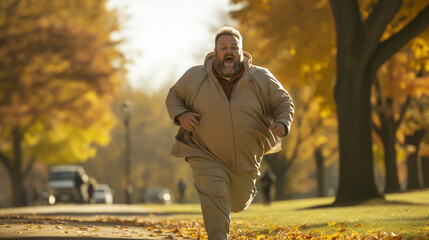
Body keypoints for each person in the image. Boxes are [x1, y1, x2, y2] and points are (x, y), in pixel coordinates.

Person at [165, 26, 294, 240]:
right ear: (215, 51)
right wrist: (181, 114)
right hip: (204, 152)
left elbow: (284, 101)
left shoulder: (260, 77)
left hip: (247, 158)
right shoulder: (195, 77)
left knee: (237, 203)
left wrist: (282, 121)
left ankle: (246, 190)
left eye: (234, 47)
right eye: (224, 47)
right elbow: (173, 97)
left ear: (242, 51)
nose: (229, 51)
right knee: (214, 193)